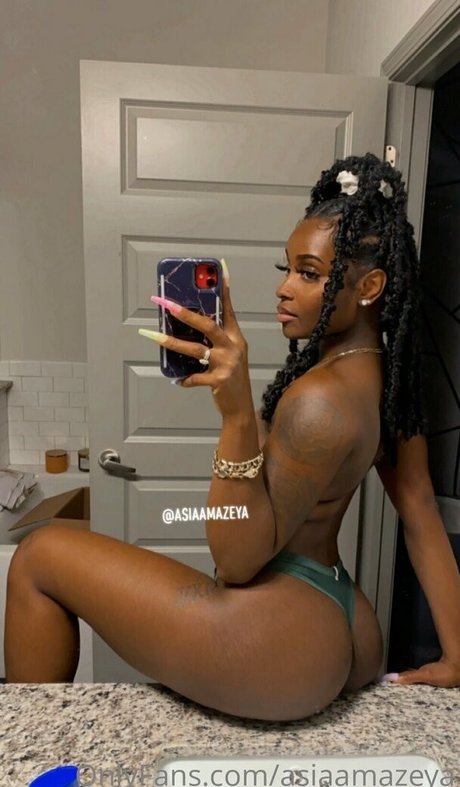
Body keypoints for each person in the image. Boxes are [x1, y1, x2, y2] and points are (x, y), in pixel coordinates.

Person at [4, 154, 460, 721]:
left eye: (310, 274)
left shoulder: (320, 400)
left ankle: (32, 748)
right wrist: (457, 655)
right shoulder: (382, 379)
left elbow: (238, 559)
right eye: (286, 268)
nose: (284, 289)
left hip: (283, 641)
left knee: (40, 555)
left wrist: (238, 415)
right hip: (340, 611)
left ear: (369, 286)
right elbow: (418, 508)